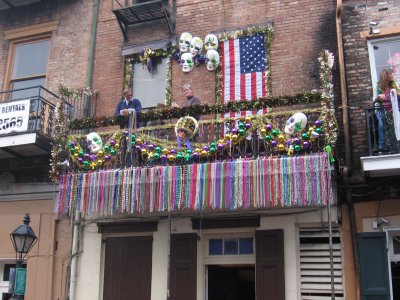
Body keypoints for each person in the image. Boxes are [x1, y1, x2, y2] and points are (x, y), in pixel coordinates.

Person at [374, 69, 400, 150]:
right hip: (382, 108)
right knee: (381, 123)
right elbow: (379, 98)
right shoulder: (379, 86)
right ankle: (382, 144)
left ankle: (395, 143)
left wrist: (388, 96)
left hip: (393, 109)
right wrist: (388, 96)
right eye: (391, 74)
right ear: (386, 76)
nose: (393, 75)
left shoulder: (393, 84)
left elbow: (398, 95)